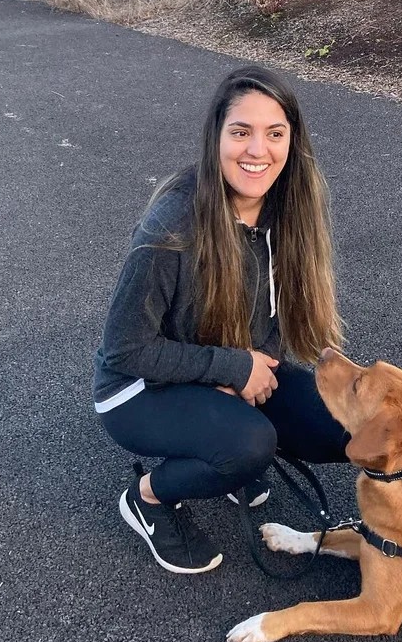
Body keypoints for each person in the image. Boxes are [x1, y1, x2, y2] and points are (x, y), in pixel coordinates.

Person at [92, 65, 348, 574]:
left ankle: (227, 440)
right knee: (247, 445)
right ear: (216, 138)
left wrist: (254, 367)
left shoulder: (286, 210)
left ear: (292, 142)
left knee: (344, 422)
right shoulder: (172, 225)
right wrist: (231, 372)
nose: (258, 151)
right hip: (139, 389)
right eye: (241, 132)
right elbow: (125, 349)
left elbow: (277, 317)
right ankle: (148, 499)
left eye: (274, 134)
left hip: (224, 367)